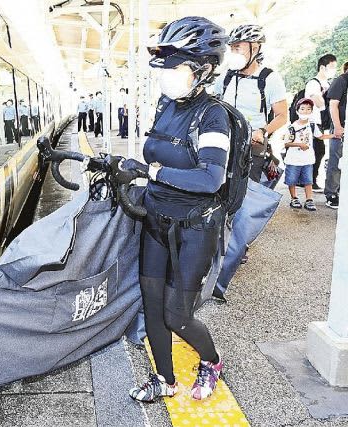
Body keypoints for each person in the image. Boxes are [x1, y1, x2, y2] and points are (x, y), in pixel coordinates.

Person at [124, 16, 230, 403]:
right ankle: (164, 379)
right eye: (166, 65)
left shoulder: (213, 115)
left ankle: (212, 361)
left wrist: (151, 171)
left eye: (177, 65)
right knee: (152, 306)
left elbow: (210, 178)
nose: (168, 73)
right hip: (157, 219)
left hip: (195, 228)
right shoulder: (165, 105)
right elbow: (159, 152)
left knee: (177, 315)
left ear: (204, 69)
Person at [213, 24, 288, 183]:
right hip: (224, 142)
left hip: (252, 146)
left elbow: (282, 116)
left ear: (254, 49)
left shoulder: (269, 78)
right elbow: (214, 103)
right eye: (231, 49)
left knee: (248, 191)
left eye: (238, 48)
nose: (234, 53)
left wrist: (262, 131)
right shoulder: (226, 77)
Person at [283, 98, 334, 211]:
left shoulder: (312, 125)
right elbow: (286, 143)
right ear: (297, 111)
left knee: (308, 180)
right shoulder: (292, 127)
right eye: (302, 109)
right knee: (292, 180)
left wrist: (334, 135)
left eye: (308, 109)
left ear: (311, 111)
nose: (305, 111)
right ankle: (294, 198)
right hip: (293, 160)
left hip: (308, 159)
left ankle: (309, 199)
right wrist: (299, 145)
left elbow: (320, 136)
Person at [305, 54, 337, 191]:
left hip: (321, 123)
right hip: (312, 122)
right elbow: (319, 103)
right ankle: (309, 180)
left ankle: (310, 180)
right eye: (332, 67)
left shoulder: (328, 84)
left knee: (318, 152)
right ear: (322, 67)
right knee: (317, 152)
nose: (334, 70)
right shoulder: (313, 83)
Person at [324, 64, 347, 209]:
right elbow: (333, 105)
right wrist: (338, 126)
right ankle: (331, 193)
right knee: (336, 160)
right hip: (341, 127)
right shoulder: (342, 80)